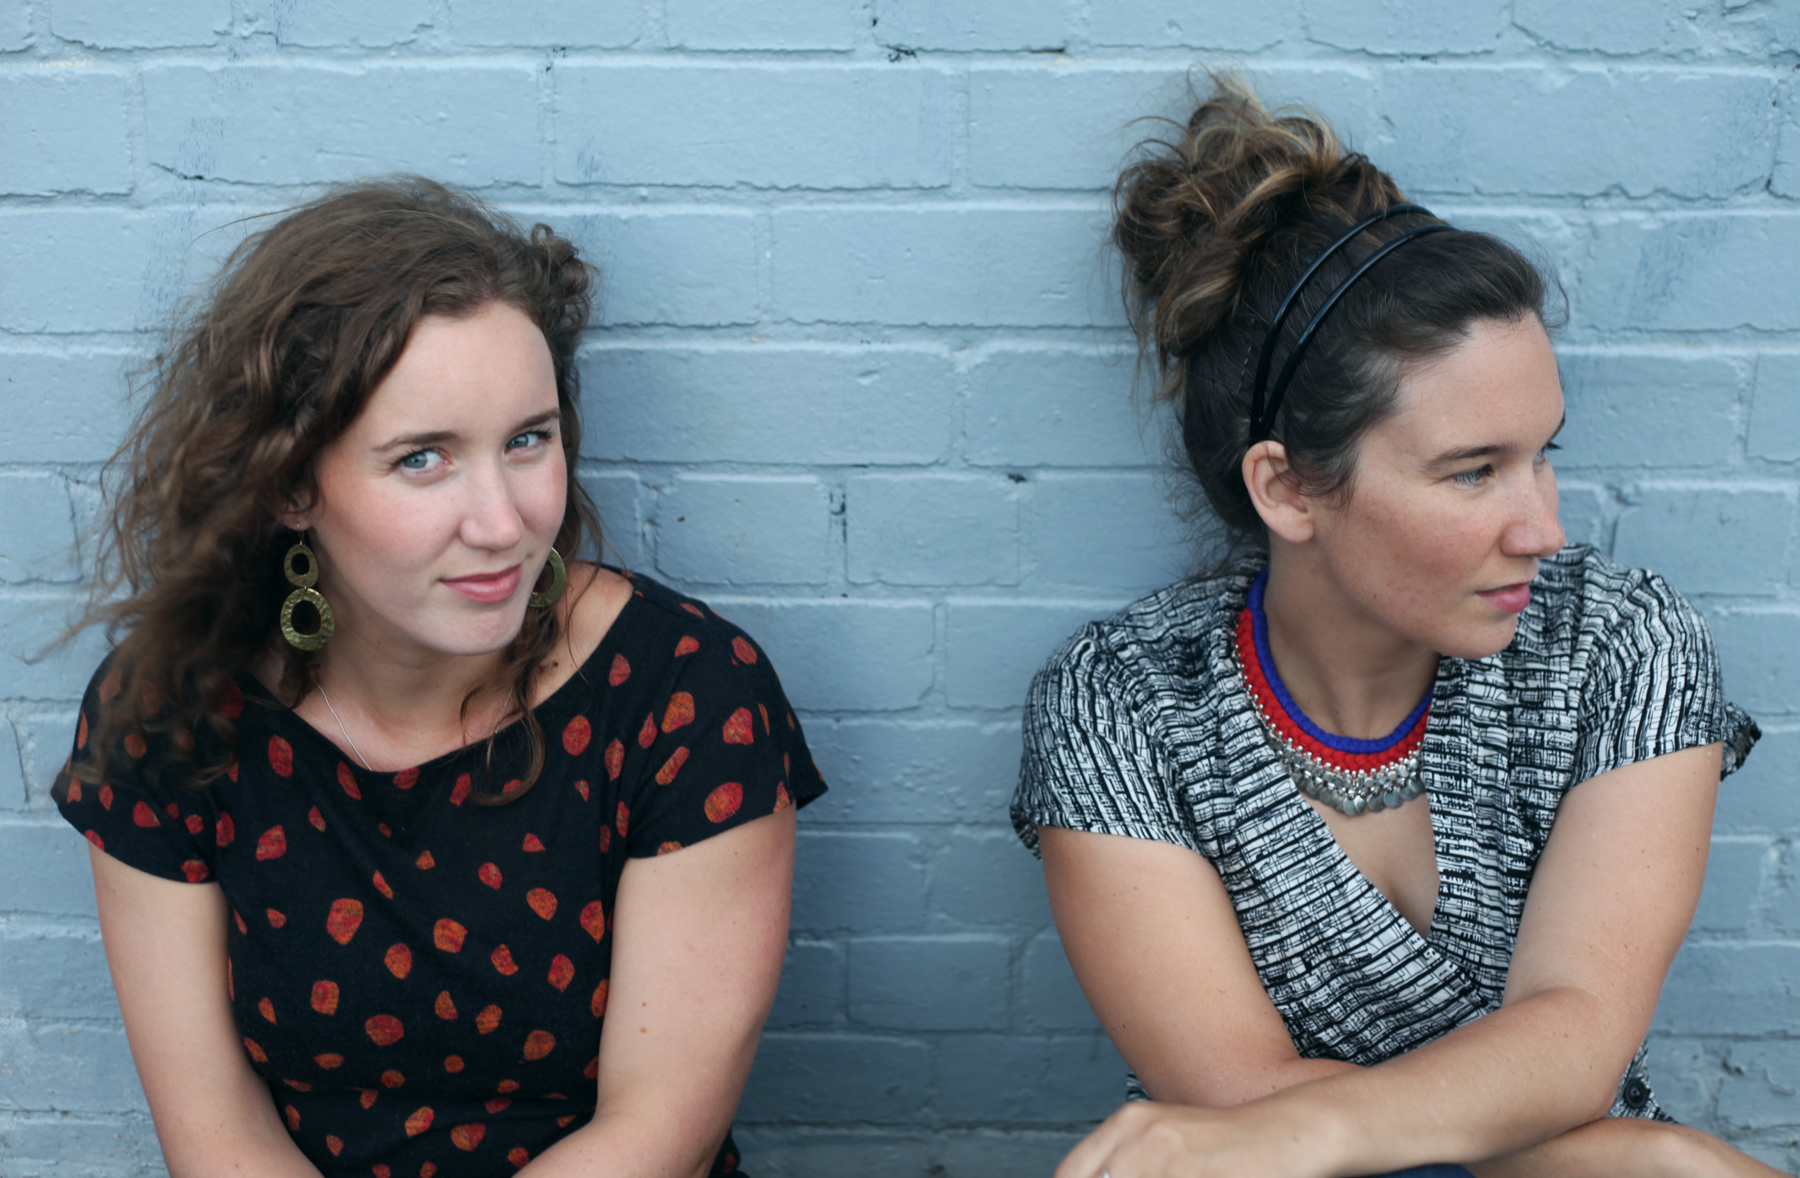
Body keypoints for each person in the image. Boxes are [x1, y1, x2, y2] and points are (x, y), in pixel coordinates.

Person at [1010, 79, 1775, 1178]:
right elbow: (1237, 1097)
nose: (1544, 528)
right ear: (1287, 490)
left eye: (1541, 453)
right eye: (1474, 473)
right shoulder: (1126, 704)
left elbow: (1579, 1032)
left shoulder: (1618, 645)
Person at [54, 177, 825, 1178]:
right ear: (291, 482)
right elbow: (216, 1131)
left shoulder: (683, 694)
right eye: (423, 460)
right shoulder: (173, 708)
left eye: (527, 441)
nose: (502, 522)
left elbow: (654, 1133)